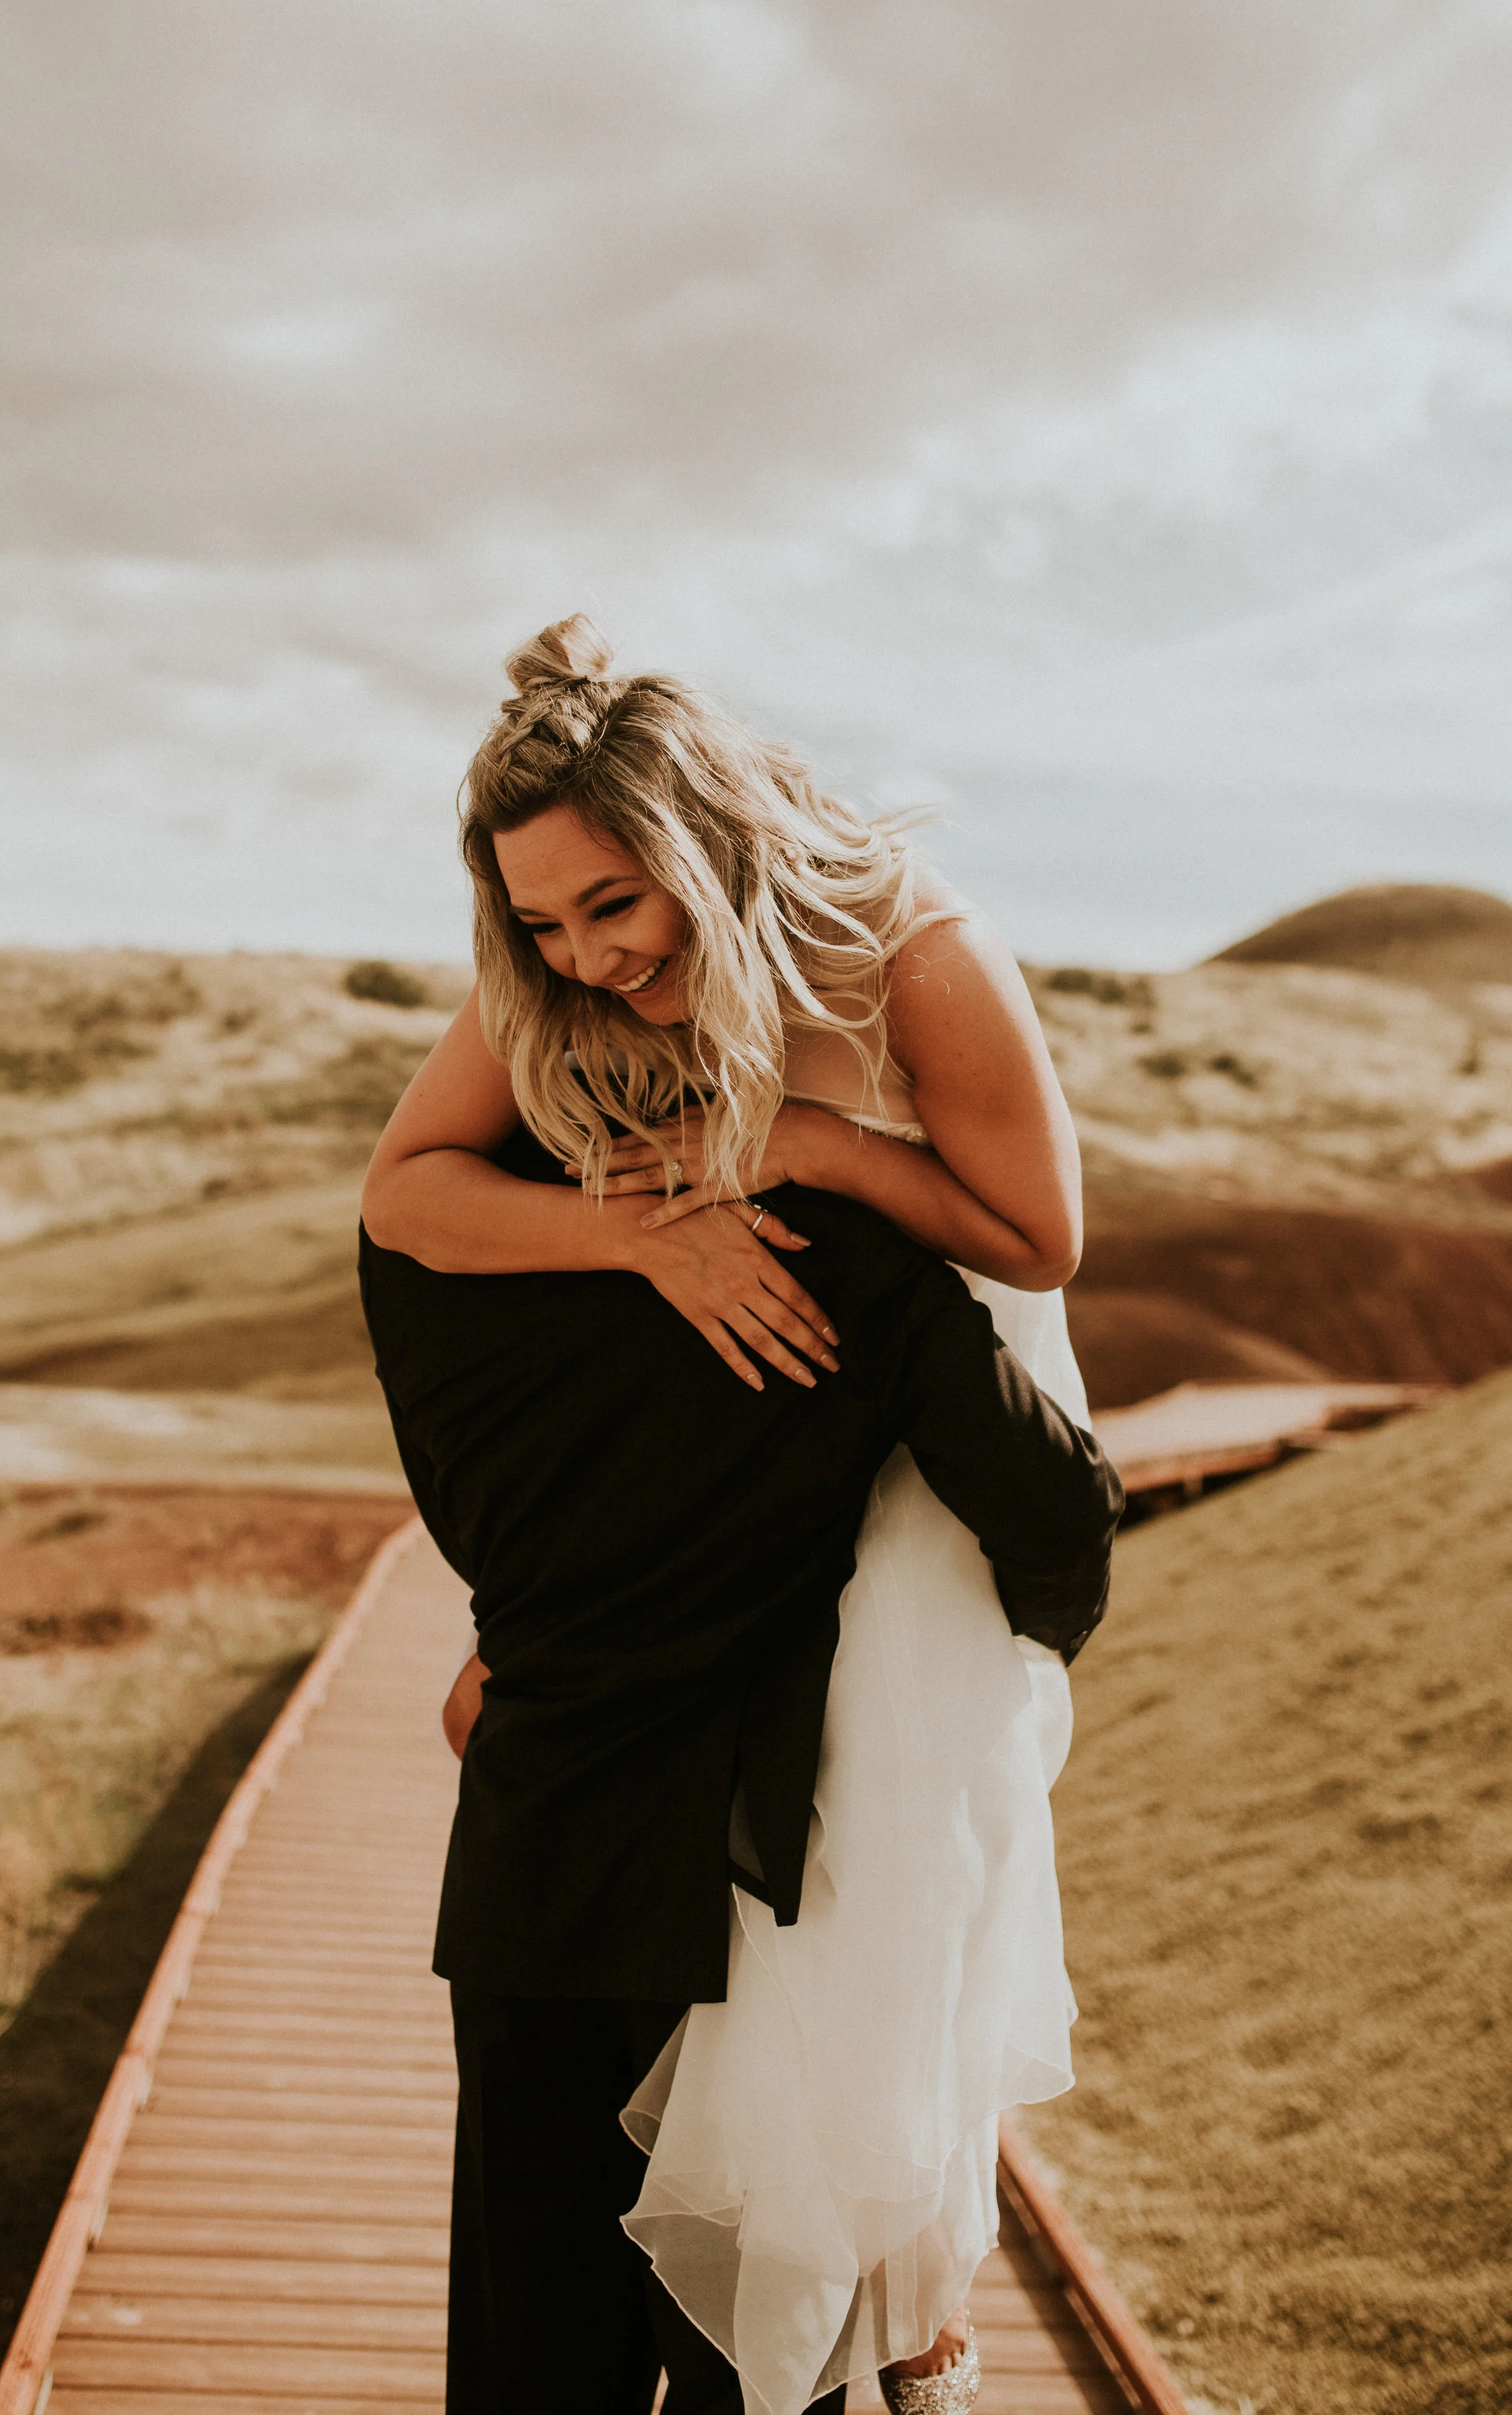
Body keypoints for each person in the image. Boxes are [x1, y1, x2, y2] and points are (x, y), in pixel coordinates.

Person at [361, 615, 1100, 2414]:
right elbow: (407, 1191)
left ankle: (882, 2305)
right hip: (700, 1501)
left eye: (616, 906)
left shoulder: (909, 940)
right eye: (540, 926)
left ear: (701, 845)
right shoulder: (558, 972)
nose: (585, 959)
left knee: (856, 1939)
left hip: (906, 1444)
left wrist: (825, 1152)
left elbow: (1035, 1237)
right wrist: (635, 1225)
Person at [359, 1136, 1121, 2415]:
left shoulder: (435, 1250)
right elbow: (1055, 1515)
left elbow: (468, 1513)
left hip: (531, 1848)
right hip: (762, 1873)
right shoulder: (840, 1259)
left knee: (526, 2364)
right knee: (757, 2373)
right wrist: (961, 1676)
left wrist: (531, 1627)